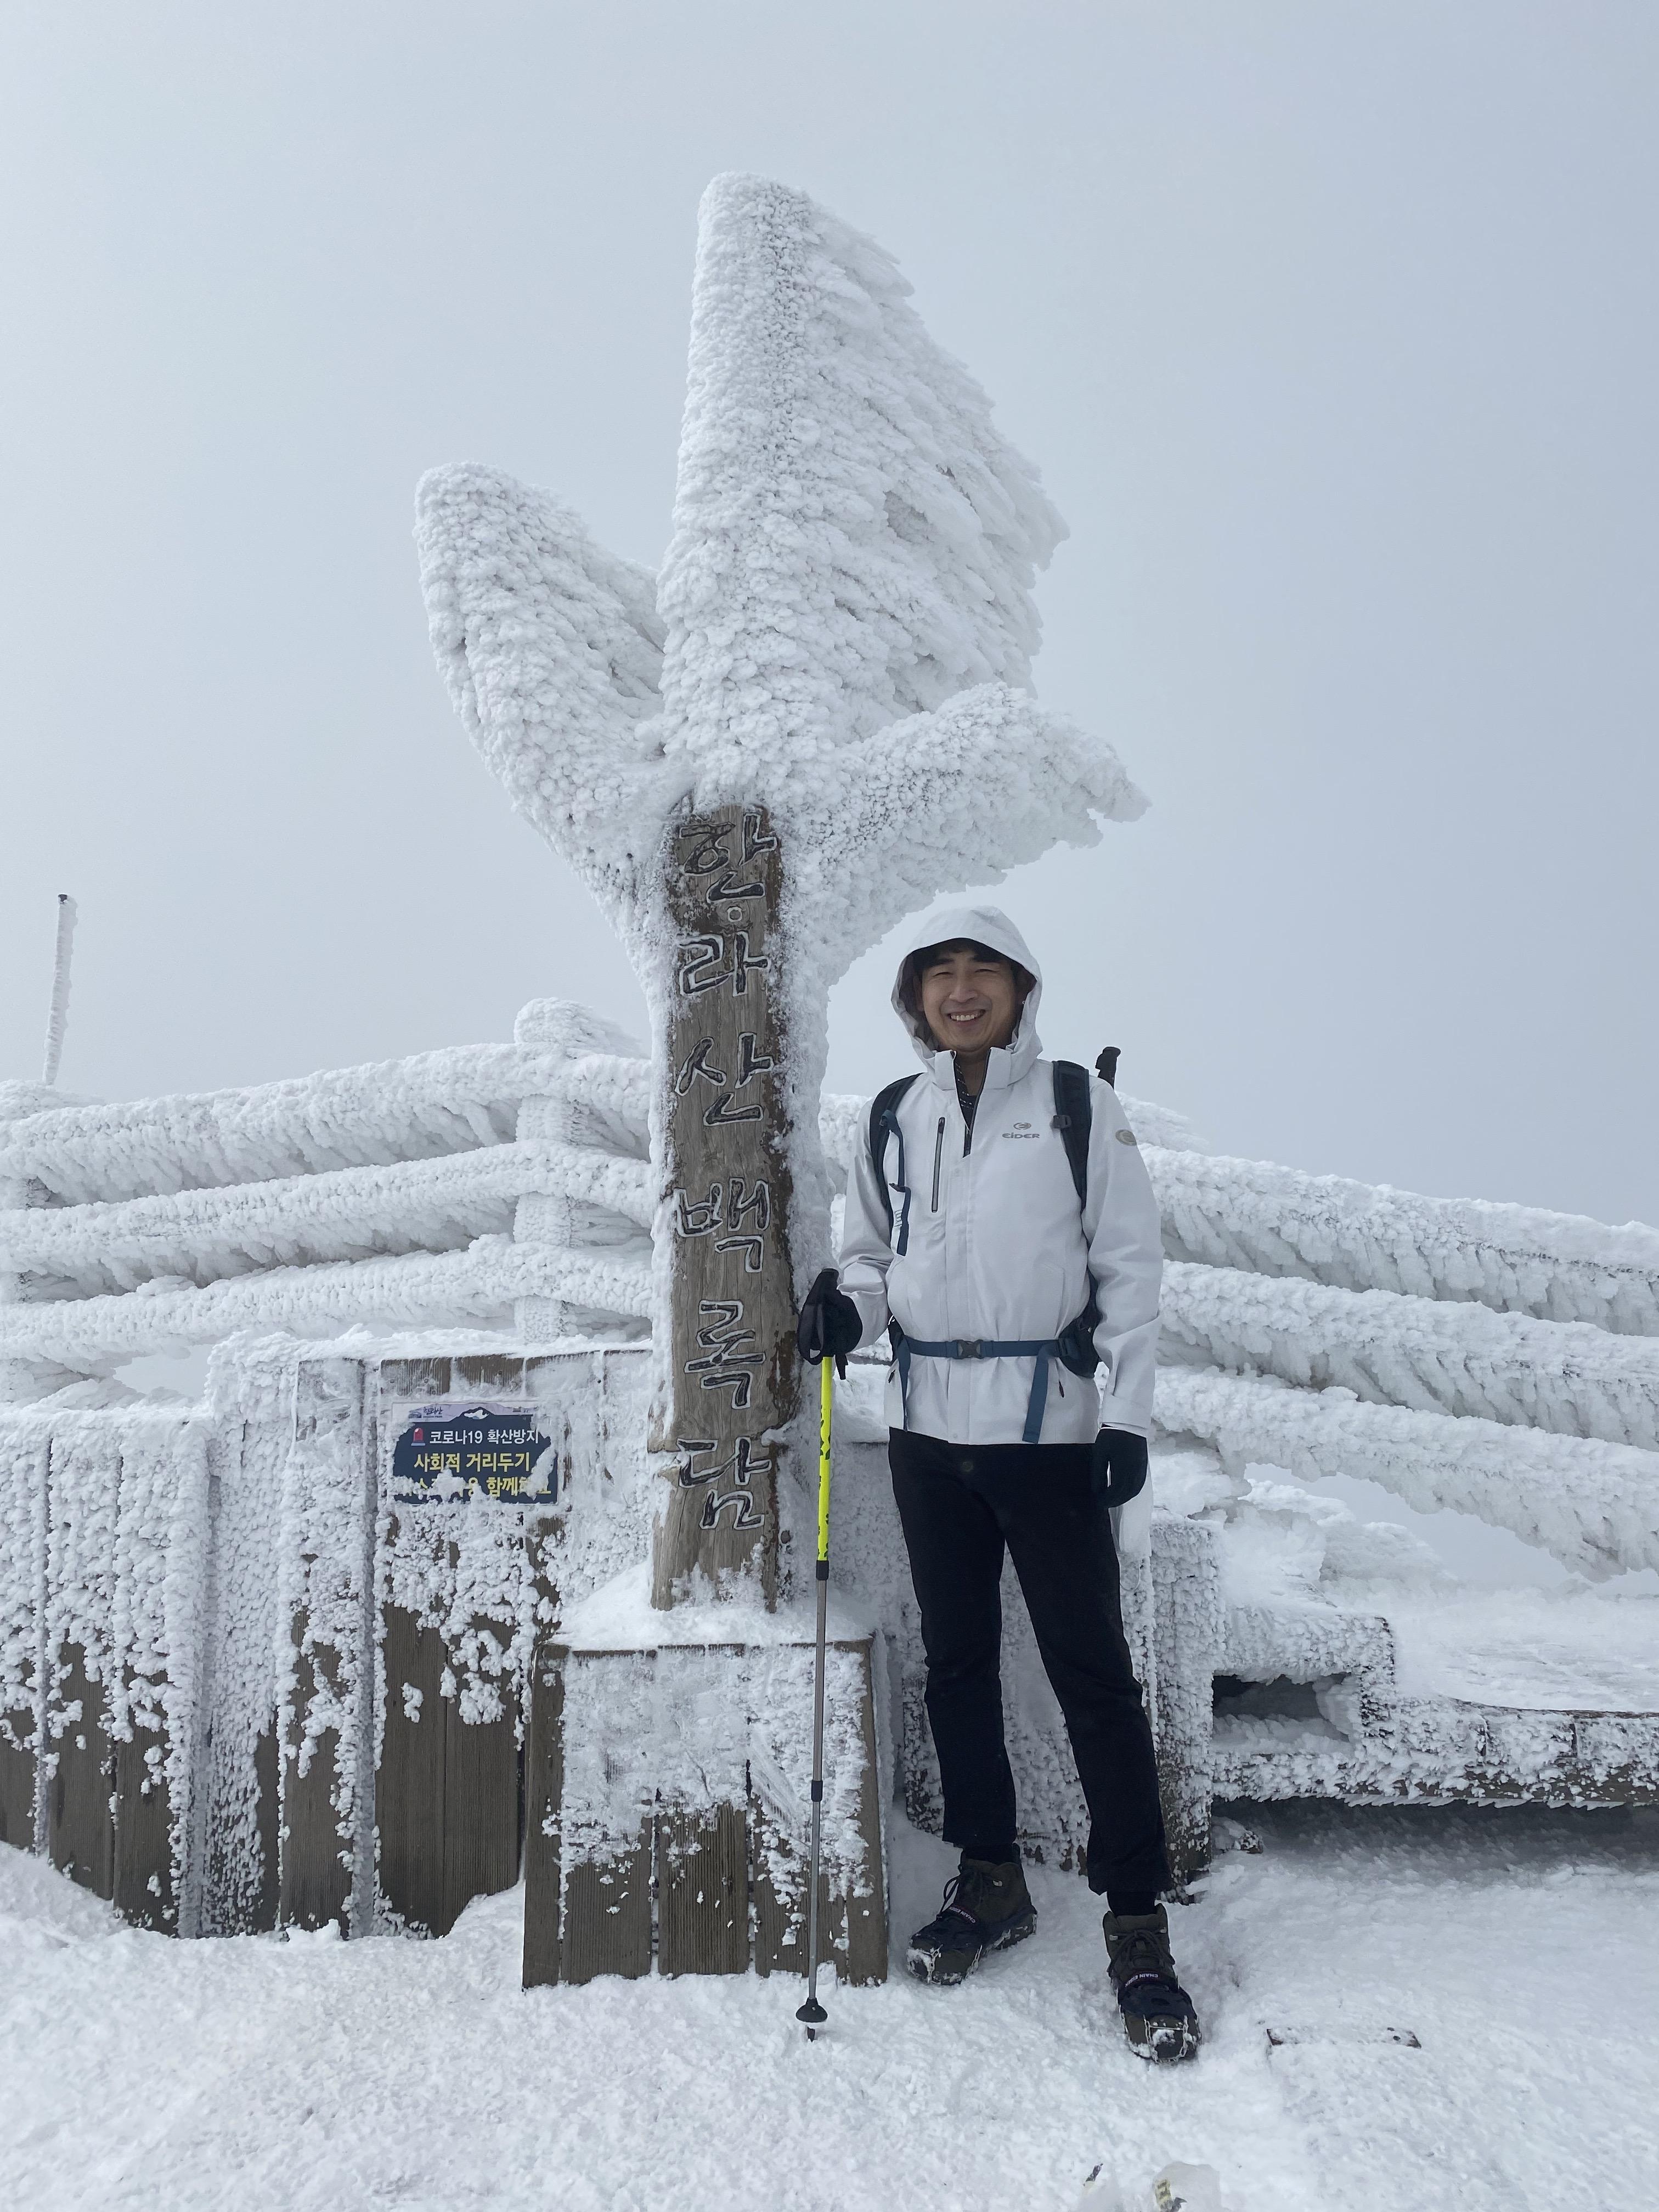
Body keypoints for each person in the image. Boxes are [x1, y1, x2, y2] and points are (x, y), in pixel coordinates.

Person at [795, 905, 1200, 2063]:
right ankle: (990, 1879)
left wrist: (1125, 1417)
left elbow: (1131, 1269)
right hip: (930, 1432)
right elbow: (874, 1256)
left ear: (1021, 990)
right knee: (958, 1665)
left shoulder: (1074, 1104)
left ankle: (1135, 1919)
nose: (961, 991)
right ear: (914, 998)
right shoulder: (894, 1116)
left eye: (984, 972)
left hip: (1052, 1433)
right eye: (939, 974)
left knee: (1094, 1679)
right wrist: (847, 1309)